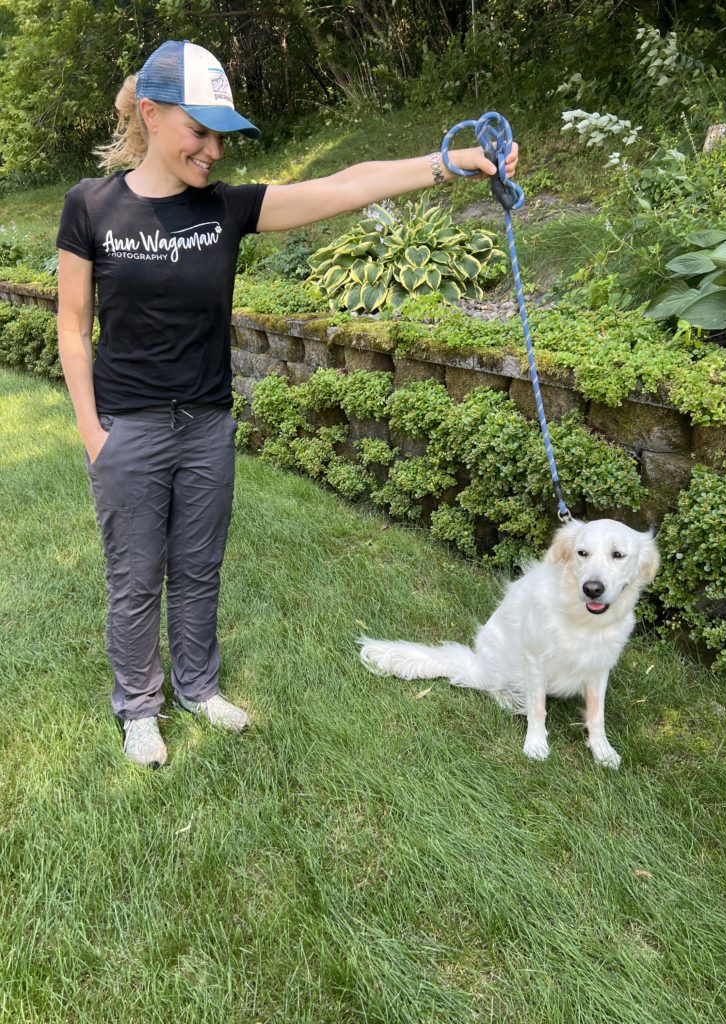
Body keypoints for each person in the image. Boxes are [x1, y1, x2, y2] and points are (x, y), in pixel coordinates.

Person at [56, 39, 519, 769]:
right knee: (136, 577)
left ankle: (198, 688)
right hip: (128, 430)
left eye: (219, 136)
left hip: (206, 427)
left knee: (200, 571)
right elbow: (73, 327)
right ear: (149, 113)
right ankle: (139, 709)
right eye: (198, 131)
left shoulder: (228, 210)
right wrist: (92, 431)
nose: (212, 150)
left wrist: (451, 163)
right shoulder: (90, 206)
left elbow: (347, 184)